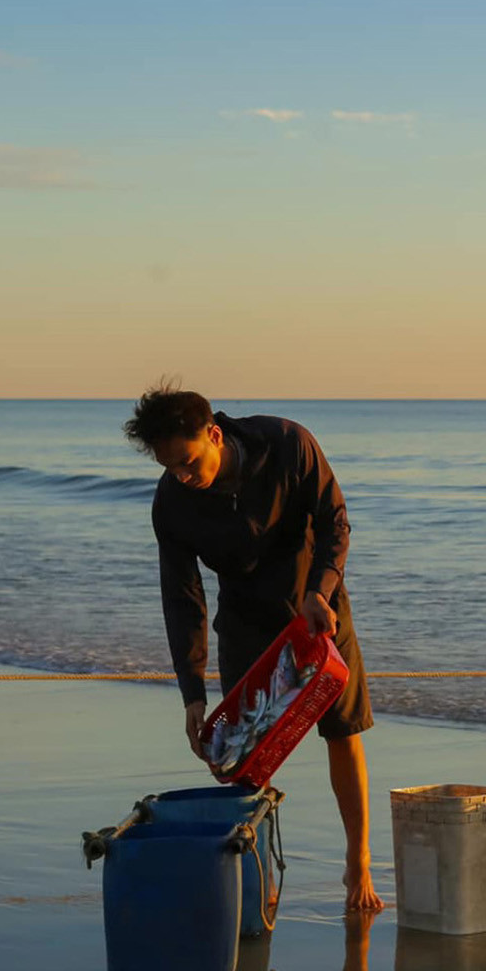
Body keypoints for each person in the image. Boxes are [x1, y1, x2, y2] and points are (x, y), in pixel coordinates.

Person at [125, 385, 383, 911]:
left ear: (213, 435)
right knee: (243, 756)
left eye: (189, 462)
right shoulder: (172, 502)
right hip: (244, 619)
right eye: (170, 467)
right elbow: (182, 597)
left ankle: (359, 863)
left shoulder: (287, 444)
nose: (183, 476)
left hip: (316, 604)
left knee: (343, 731)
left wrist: (322, 590)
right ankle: (253, 875)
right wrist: (192, 693)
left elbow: (335, 517)